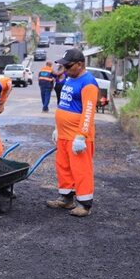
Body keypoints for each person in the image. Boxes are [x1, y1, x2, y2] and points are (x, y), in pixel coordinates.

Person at [47, 48, 99, 217]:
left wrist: (81, 136)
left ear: (79, 64)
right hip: (63, 134)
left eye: (68, 66)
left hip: (77, 136)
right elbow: (64, 104)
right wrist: (57, 127)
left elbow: (89, 111)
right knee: (63, 167)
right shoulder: (70, 79)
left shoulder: (88, 83)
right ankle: (67, 198)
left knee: (81, 169)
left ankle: (84, 205)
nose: (66, 69)